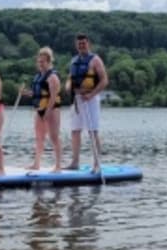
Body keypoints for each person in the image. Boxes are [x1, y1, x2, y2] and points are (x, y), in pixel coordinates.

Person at [65, 33, 108, 172]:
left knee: (92, 131)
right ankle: (75, 162)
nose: (81, 45)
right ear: (76, 45)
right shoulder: (74, 60)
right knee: (75, 131)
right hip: (76, 99)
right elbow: (70, 78)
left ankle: (97, 164)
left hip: (90, 99)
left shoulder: (95, 60)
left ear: (88, 43)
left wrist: (91, 94)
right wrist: (67, 86)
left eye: (83, 43)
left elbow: (104, 80)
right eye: (79, 43)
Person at [23, 47, 62, 172]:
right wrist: (26, 93)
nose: (40, 64)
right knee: (39, 137)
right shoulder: (38, 76)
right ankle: (36, 164)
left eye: (43, 61)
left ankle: (58, 166)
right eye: (39, 61)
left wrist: (47, 112)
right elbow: (36, 93)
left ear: (49, 62)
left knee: (54, 137)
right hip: (39, 109)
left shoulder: (52, 77)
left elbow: (53, 97)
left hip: (52, 110)